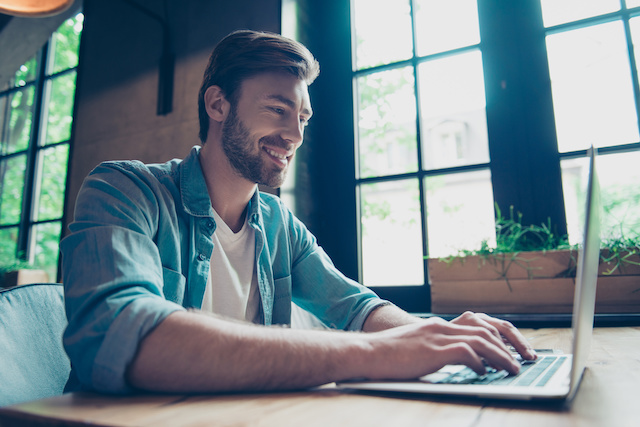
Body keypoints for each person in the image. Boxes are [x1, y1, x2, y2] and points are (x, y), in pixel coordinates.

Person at [60, 29, 536, 394]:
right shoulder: (124, 190)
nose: (295, 135)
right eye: (277, 109)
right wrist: (372, 353)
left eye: (302, 117)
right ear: (218, 103)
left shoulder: (279, 224)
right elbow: (120, 334)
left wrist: (441, 335)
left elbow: (357, 308)